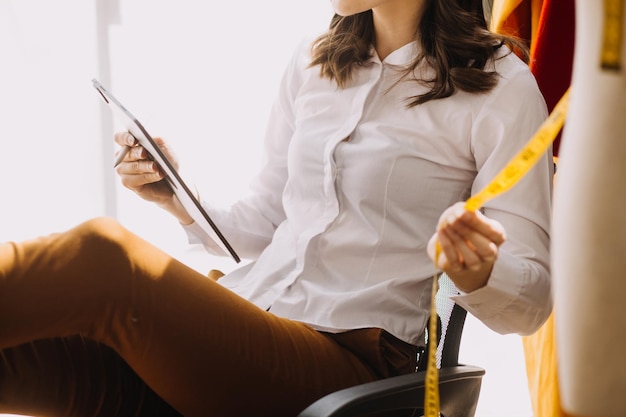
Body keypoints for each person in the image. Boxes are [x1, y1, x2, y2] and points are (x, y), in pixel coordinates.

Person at [0, 0, 553, 416]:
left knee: (106, 260)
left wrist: (480, 272)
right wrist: (178, 200)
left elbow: (531, 303)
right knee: (16, 357)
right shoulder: (317, 63)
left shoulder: (498, 85)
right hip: (249, 322)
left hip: (347, 368)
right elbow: (267, 225)